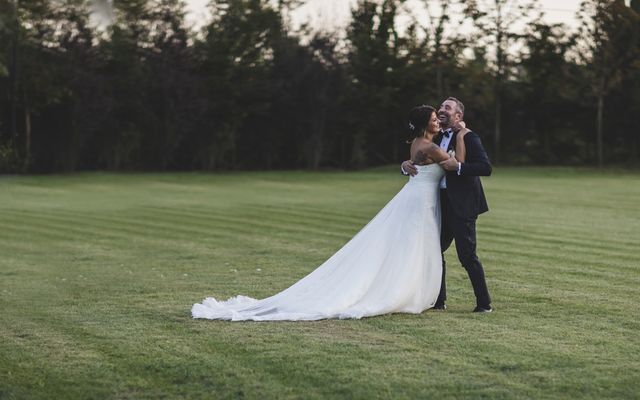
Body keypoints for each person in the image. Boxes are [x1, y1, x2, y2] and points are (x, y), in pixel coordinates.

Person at [192, 105, 457, 321]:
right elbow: (453, 164)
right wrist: (461, 142)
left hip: (416, 197)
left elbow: (418, 164)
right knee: (412, 246)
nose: (437, 122)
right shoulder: (429, 146)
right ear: (425, 124)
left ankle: (410, 290)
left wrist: (406, 164)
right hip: (419, 201)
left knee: (410, 246)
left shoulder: (419, 144)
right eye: (434, 119)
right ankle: (404, 292)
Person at [402, 97, 493, 313]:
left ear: (458, 116)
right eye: (441, 107)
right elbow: (419, 159)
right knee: (435, 250)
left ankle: (484, 304)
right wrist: (405, 166)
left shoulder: (469, 137)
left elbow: (485, 167)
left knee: (467, 255)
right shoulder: (436, 136)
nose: (442, 110)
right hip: (439, 204)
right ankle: (439, 300)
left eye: (447, 108)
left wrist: (460, 168)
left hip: (462, 205)